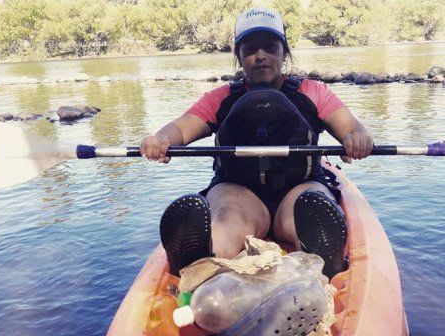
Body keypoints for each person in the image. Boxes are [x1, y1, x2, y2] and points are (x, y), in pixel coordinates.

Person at [140, 7, 373, 279]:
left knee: (306, 208)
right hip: (238, 192)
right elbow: (180, 128)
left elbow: (351, 127)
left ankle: (322, 258)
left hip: (299, 187)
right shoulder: (221, 98)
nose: (260, 56)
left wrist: (356, 138)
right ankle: (200, 259)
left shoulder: (313, 92)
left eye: (270, 48)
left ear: (283, 52)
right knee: (229, 217)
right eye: (250, 49)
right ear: (239, 56)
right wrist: (162, 139)